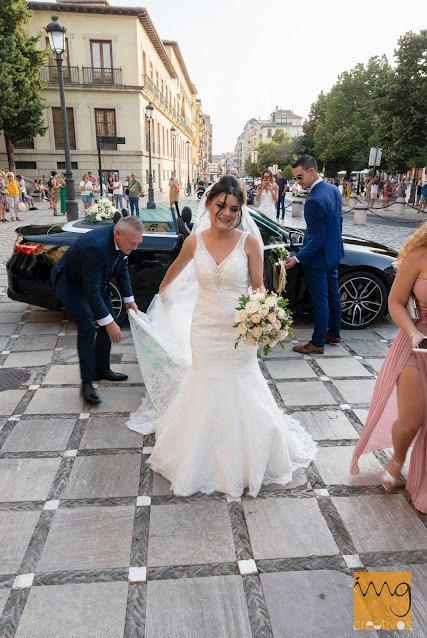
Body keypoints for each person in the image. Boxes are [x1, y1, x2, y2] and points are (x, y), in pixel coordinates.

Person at [126, 176, 316, 497]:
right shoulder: (193, 242)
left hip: (239, 331)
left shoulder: (249, 244)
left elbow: (259, 289)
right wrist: (165, 294)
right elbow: (170, 276)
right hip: (203, 329)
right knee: (205, 383)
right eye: (221, 206)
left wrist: (263, 319)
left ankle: (244, 458)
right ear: (209, 203)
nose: (227, 213)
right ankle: (201, 454)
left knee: (240, 384)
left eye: (234, 208)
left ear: (240, 210)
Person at [351, 222, 427, 513]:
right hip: (415, 341)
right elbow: (395, 302)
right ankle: (398, 456)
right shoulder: (418, 255)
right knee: (411, 419)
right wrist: (412, 332)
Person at [51, 216, 143, 404]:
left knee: (112, 321)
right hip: (71, 284)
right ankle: (87, 383)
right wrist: (107, 323)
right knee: (87, 326)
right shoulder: (94, 246)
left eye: (138, 243)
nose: (135, 248)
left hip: (94, 283)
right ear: (117, 233)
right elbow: (90, 291)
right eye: (133, 243)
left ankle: (101, 369)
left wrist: (129, 300)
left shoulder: (125, 242)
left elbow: (122, 268)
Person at [285, 155, 344, 355]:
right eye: (295, 178)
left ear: (311, 171)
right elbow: (338, 223)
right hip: (334, 253)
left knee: (321, 301)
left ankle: (317, 342)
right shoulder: (334, 190)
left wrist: (296, 258)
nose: (297, 182)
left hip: (318, 259)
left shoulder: (313, 199)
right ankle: (334, 333)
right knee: (333, 296)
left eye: (300, 177)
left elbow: (317, 238)